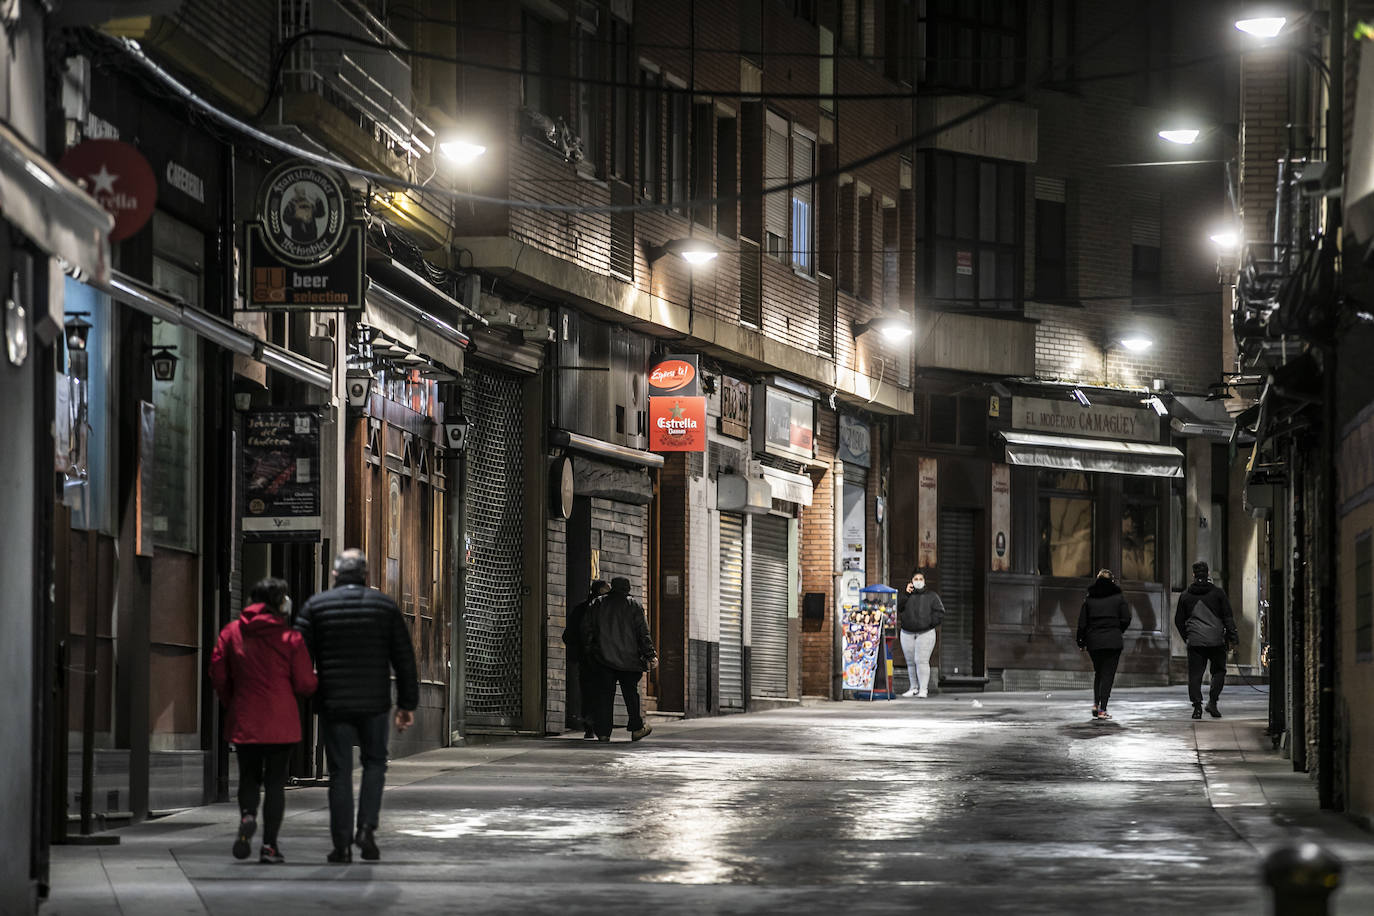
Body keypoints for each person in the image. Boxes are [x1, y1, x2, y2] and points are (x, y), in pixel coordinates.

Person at [295, 549, 419, 863]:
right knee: (375, 764)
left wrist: (305, 693)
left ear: (336, 575)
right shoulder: (384, 606)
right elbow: (404, 658)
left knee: (339, 772)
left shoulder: (316, 606)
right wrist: (407, 704)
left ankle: (341, 846)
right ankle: (366, 829)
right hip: (375, 702)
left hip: (334, 701)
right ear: (365, 576)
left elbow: (297, 656)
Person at [209, 577, 317, 864]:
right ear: (281, 603)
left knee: (248, 777)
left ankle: (247, 816)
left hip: (245, 719)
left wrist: (233, 702)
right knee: (274, 785)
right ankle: (269, 846)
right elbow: (306, 683)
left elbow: (218, 674)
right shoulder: (290, 637)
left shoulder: (232, 632)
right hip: (282, 724)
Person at [582, 576, 657, 742]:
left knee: (604, 696)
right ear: (627, 589)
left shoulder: (597, 604)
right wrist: (650, 655)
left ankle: (603, 733)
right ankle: (636, 728)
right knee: (631, 694)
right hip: (629, 660)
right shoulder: (634, 605)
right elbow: (643, 633)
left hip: (603, 659)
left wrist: (590, 653)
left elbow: (587, 630)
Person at [1174, 560, 1239, 720]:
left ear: (1193, 575)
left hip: (1195, 642)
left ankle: (1197, 708)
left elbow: (1178, 620)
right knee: (1218, 671)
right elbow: (1228, 617)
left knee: (1195, 675)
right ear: (1208, 574)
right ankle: (1213, 702)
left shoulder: (1185, 596)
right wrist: (1233, 637)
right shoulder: (1218, 593)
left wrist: (1187, 637)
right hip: (1216, 641)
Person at [1076, 569, 1132, 720]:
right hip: (1112, 641)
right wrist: (1117, 629)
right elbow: (1126, 618)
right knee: (1108, 674)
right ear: (1112, 581)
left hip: (1094, 642)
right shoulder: (1118, 597)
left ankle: (1096, 704)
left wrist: (1080, 641)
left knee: (1099, 673)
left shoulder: (1089, 599)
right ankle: (1102, 709)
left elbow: (1082, 623)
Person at [563, 579, 611, 739]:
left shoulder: (580, 609)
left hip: (586, 659)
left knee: (587, 691)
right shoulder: (607, 610)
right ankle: (600, 725)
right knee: (603, 692)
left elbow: (568, 635)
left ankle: (589, 723)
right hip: (604, 658)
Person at [896, 570, 944, 697]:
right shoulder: (906, 595)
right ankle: (913, 687)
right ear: (911, 581)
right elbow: (897, 607)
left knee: (921, 660)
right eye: (915, 579)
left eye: (920, 579)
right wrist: (906, 593)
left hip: (925, 633)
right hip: (907, 632)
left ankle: (923, 689)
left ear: (924, 581)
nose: (918, 581)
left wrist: (929, 623)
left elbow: (939, 612)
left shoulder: (932, 596)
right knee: (910, 661)